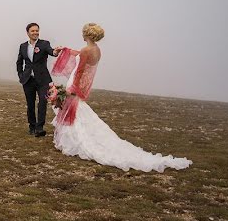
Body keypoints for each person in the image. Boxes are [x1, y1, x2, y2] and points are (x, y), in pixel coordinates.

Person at [52, 23, 192, 172]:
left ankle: (75, 141)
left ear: (86, 34)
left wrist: (73, 88)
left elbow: (80, 70)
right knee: (77, 111)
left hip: (74, 82)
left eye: (83, 32)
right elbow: (81, 55)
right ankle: (72, 139)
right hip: (76, 81)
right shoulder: (96, 50)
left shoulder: (87, 50)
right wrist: (66, 50)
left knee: (75, 112)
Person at [16, 22, 59, 137]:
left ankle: (39, 128)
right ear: (28, 33)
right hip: (28, 80)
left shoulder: (44, 44)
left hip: (43, 80)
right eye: (33, 31)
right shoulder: (23, 46)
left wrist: (55, 52)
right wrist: (21, 75)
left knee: (42, 102)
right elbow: (19, 62)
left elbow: (51, 51)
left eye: (37, 30)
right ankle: (32, 126)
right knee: (30, 104)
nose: (35, 32)